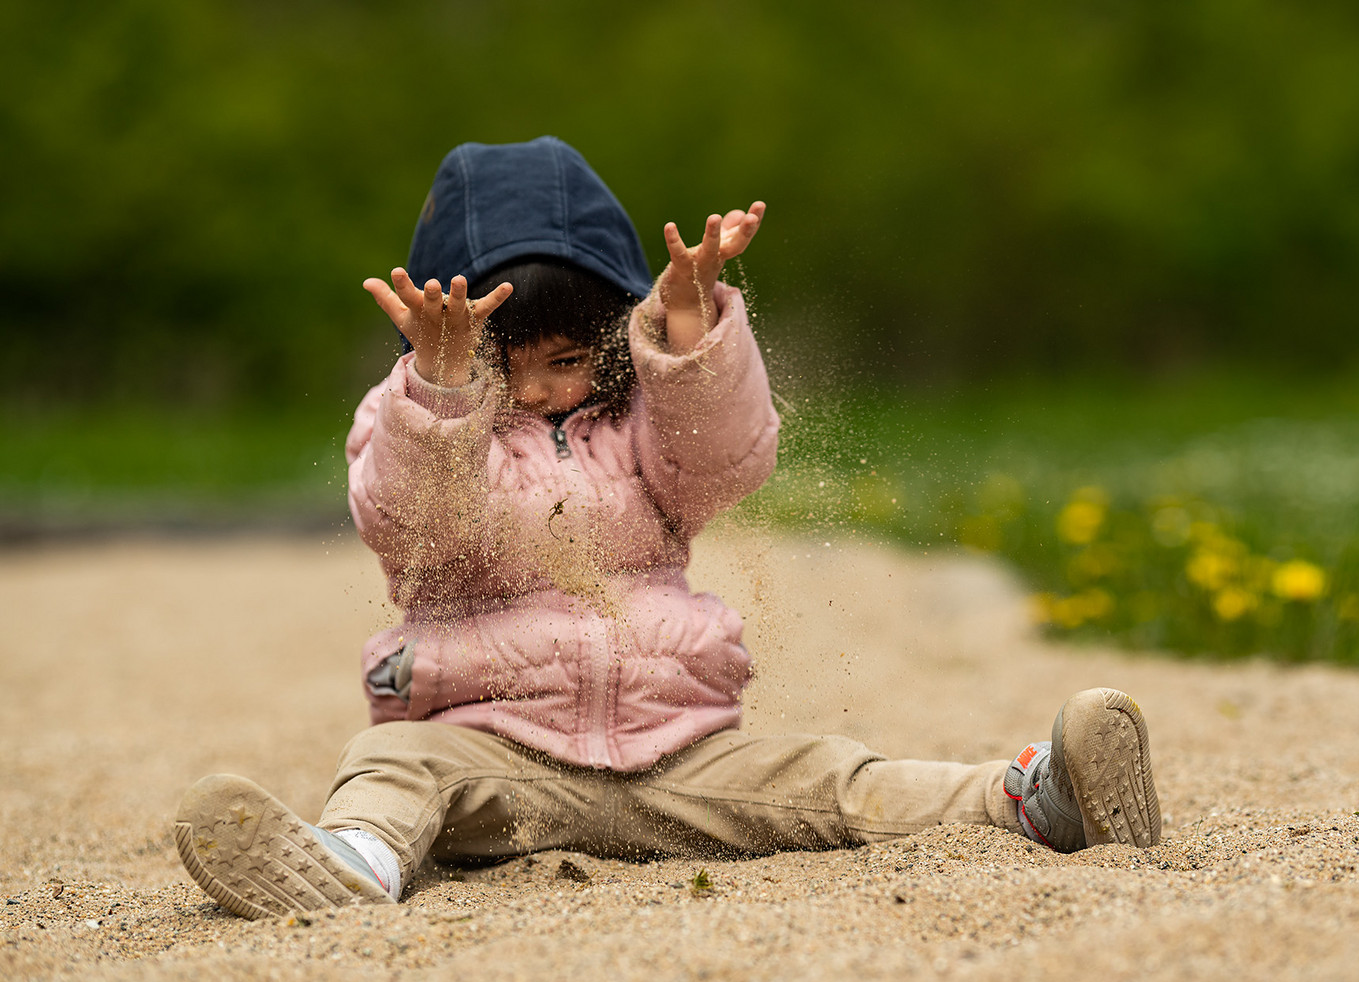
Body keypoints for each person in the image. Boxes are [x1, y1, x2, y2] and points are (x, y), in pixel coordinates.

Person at [173, 137, 1161, 918]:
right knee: (388, 767)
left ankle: (1033, 797)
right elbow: (409, 520)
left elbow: (726, 460)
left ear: (608, 341)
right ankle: (351, 865)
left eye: (563, 360)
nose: (534, 390)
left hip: (673, 751)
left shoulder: (641, 430)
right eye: (496, 363)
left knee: (824, 778)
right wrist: (437, 391)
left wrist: (692, 341)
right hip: (486, 747)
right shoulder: (436, 431)